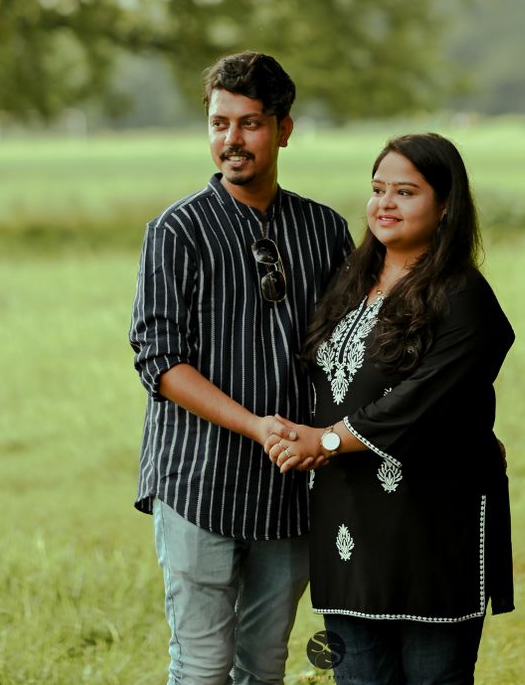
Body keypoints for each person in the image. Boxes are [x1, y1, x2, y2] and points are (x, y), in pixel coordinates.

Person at [129, 51, 353, 685]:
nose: (231, 140)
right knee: (200, 665)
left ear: (284, 128)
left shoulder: (324, 230)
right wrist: (258, 427)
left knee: (263, 665)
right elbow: (161, 361)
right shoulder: (177, 230)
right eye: (219, 122)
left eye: (250, 123)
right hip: (197, 480)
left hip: (289, 491)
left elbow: (346, 350)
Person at [264, 132, 514, 685]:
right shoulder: (349, 283)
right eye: (378, 189)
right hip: (345, 525)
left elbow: (421, 403)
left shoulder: (463, 297)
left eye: (406, 191)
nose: (385, 204)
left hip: (430, 527)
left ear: (446, 203)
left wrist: (324, 441)